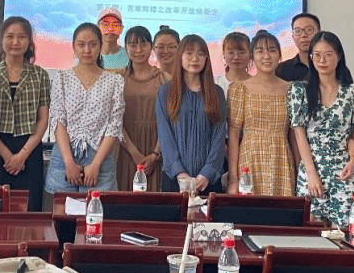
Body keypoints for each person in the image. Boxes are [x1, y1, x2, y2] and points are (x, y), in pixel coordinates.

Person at [287, 31, 354, 227]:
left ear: (339, 56)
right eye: (317, 55)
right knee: (311, 232)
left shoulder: (353, 92)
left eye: (328, 54)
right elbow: (299, 134)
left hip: (344, 172)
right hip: (312, 170)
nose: (322, 60)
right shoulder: (299, 90)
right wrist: (311, 173)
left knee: (346, 233)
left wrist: (353, 162)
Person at [0, 16, 51, 210]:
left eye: (21, 37)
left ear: (29, 41)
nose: (15, 42)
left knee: (30, 210)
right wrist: (7, 155)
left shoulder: (40, 75)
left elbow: (43, 120)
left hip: (29, 150)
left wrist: (21, 156)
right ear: (1, 40)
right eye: (10, 36)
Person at [46, 23, 125, 194]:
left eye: (93, 44)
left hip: (99, 157)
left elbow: (114, 126)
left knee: (97, 208)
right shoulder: (62, 78)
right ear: (73, 47)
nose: (87, 50)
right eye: (81, 45)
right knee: (62, 209)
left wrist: (95, 164)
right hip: (65, 156)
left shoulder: (114, 81)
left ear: (100, 46)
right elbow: (58, 120)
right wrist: (69, 162)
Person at [156, 34, 227, 195]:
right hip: (175, 180)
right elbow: (165, 135)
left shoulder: (217, 93)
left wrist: (207, 173)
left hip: (208, 181)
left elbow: (219, 136)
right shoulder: (165, 92)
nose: (195, 58)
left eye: (200, 54)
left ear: (206, 59)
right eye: (189, 53)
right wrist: (180, 173)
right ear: (180, 56)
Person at [227, 30, 294, 196]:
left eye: (272, 50)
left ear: (279, 55)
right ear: (252, 56)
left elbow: (294, 135)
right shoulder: (239, 88)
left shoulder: (291, 89)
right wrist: (233, 179)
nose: (266, 56)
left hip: (281, 161)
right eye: (260, 51)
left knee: (283, 210)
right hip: (250, 161)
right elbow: (234, 134)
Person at [117, 26, 166, 191]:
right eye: (133, 45)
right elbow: (114, 120)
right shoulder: (118, 79)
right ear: (125, 48)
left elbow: (170, 121)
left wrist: (155, 154)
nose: (138, 50)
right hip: (125, 146)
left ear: (151, 47)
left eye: (143, 44)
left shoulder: (164, 79)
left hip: (157, 144)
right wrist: (134, 152)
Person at [276, 13, 320, 82]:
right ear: (293, 36)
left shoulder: (331, 66)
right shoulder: (281, 70)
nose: (303, 35)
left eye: (309, 30)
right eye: (297, 31)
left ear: (319, 33)